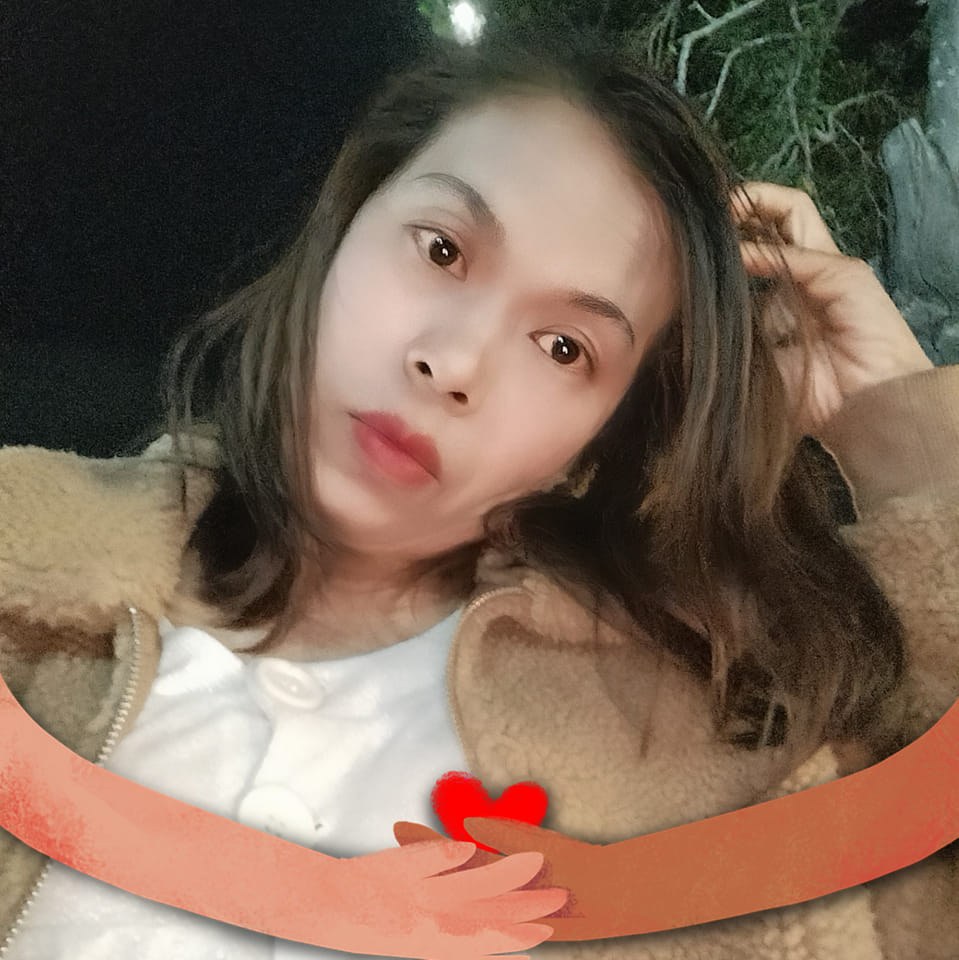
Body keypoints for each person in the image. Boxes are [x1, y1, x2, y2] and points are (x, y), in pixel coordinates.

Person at [1, 23, 957, 960]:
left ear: (604, 432)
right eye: (441, 251)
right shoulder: (24, 549)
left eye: (564, 348)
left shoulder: (721, 756)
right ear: (343, 227)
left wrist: (907, 430)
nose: (453, 362)